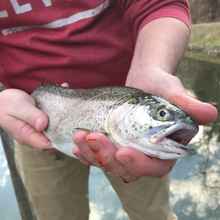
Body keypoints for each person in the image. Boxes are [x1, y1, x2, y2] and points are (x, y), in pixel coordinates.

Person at [0, 1, 217, 220]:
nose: (167, 119)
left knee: (152, 215)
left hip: (134, 107)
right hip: (28, 122)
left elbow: (158, 4)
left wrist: (153, 66)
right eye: (161, 114)